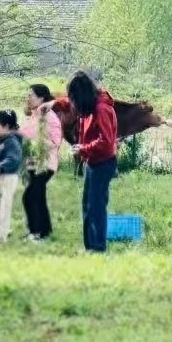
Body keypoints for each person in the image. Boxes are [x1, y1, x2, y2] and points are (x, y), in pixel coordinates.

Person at [64, 72, 117, 253]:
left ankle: (97, 248)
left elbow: (106, 142)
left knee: (96, 207)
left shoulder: (102, 109)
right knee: (87, 205)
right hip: (93, 162)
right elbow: (65, 102)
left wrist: (83, 149)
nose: (73, 103)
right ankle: (90, 247)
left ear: (82, 95)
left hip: (103, 163)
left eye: (74, 98)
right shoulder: (91, 106)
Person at [20, 84, 62, 242]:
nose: (28, 98)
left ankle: (36, 233)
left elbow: (55, 141)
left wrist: (35, 143)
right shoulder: (34, 116)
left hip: (45, 164)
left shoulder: (49, 116)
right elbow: (26, 134)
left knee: (30, 197)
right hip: (33, 163)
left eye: (31, 95)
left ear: (42, 98)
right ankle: (44, 230)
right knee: (38, 197)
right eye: (27, 95)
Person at [0, 109, 23, 244]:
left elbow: (13, 159)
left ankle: (0, 236)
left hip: (7, 177)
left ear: (6, 126)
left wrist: (0, 168)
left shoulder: (12, 142)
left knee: (3, 207)